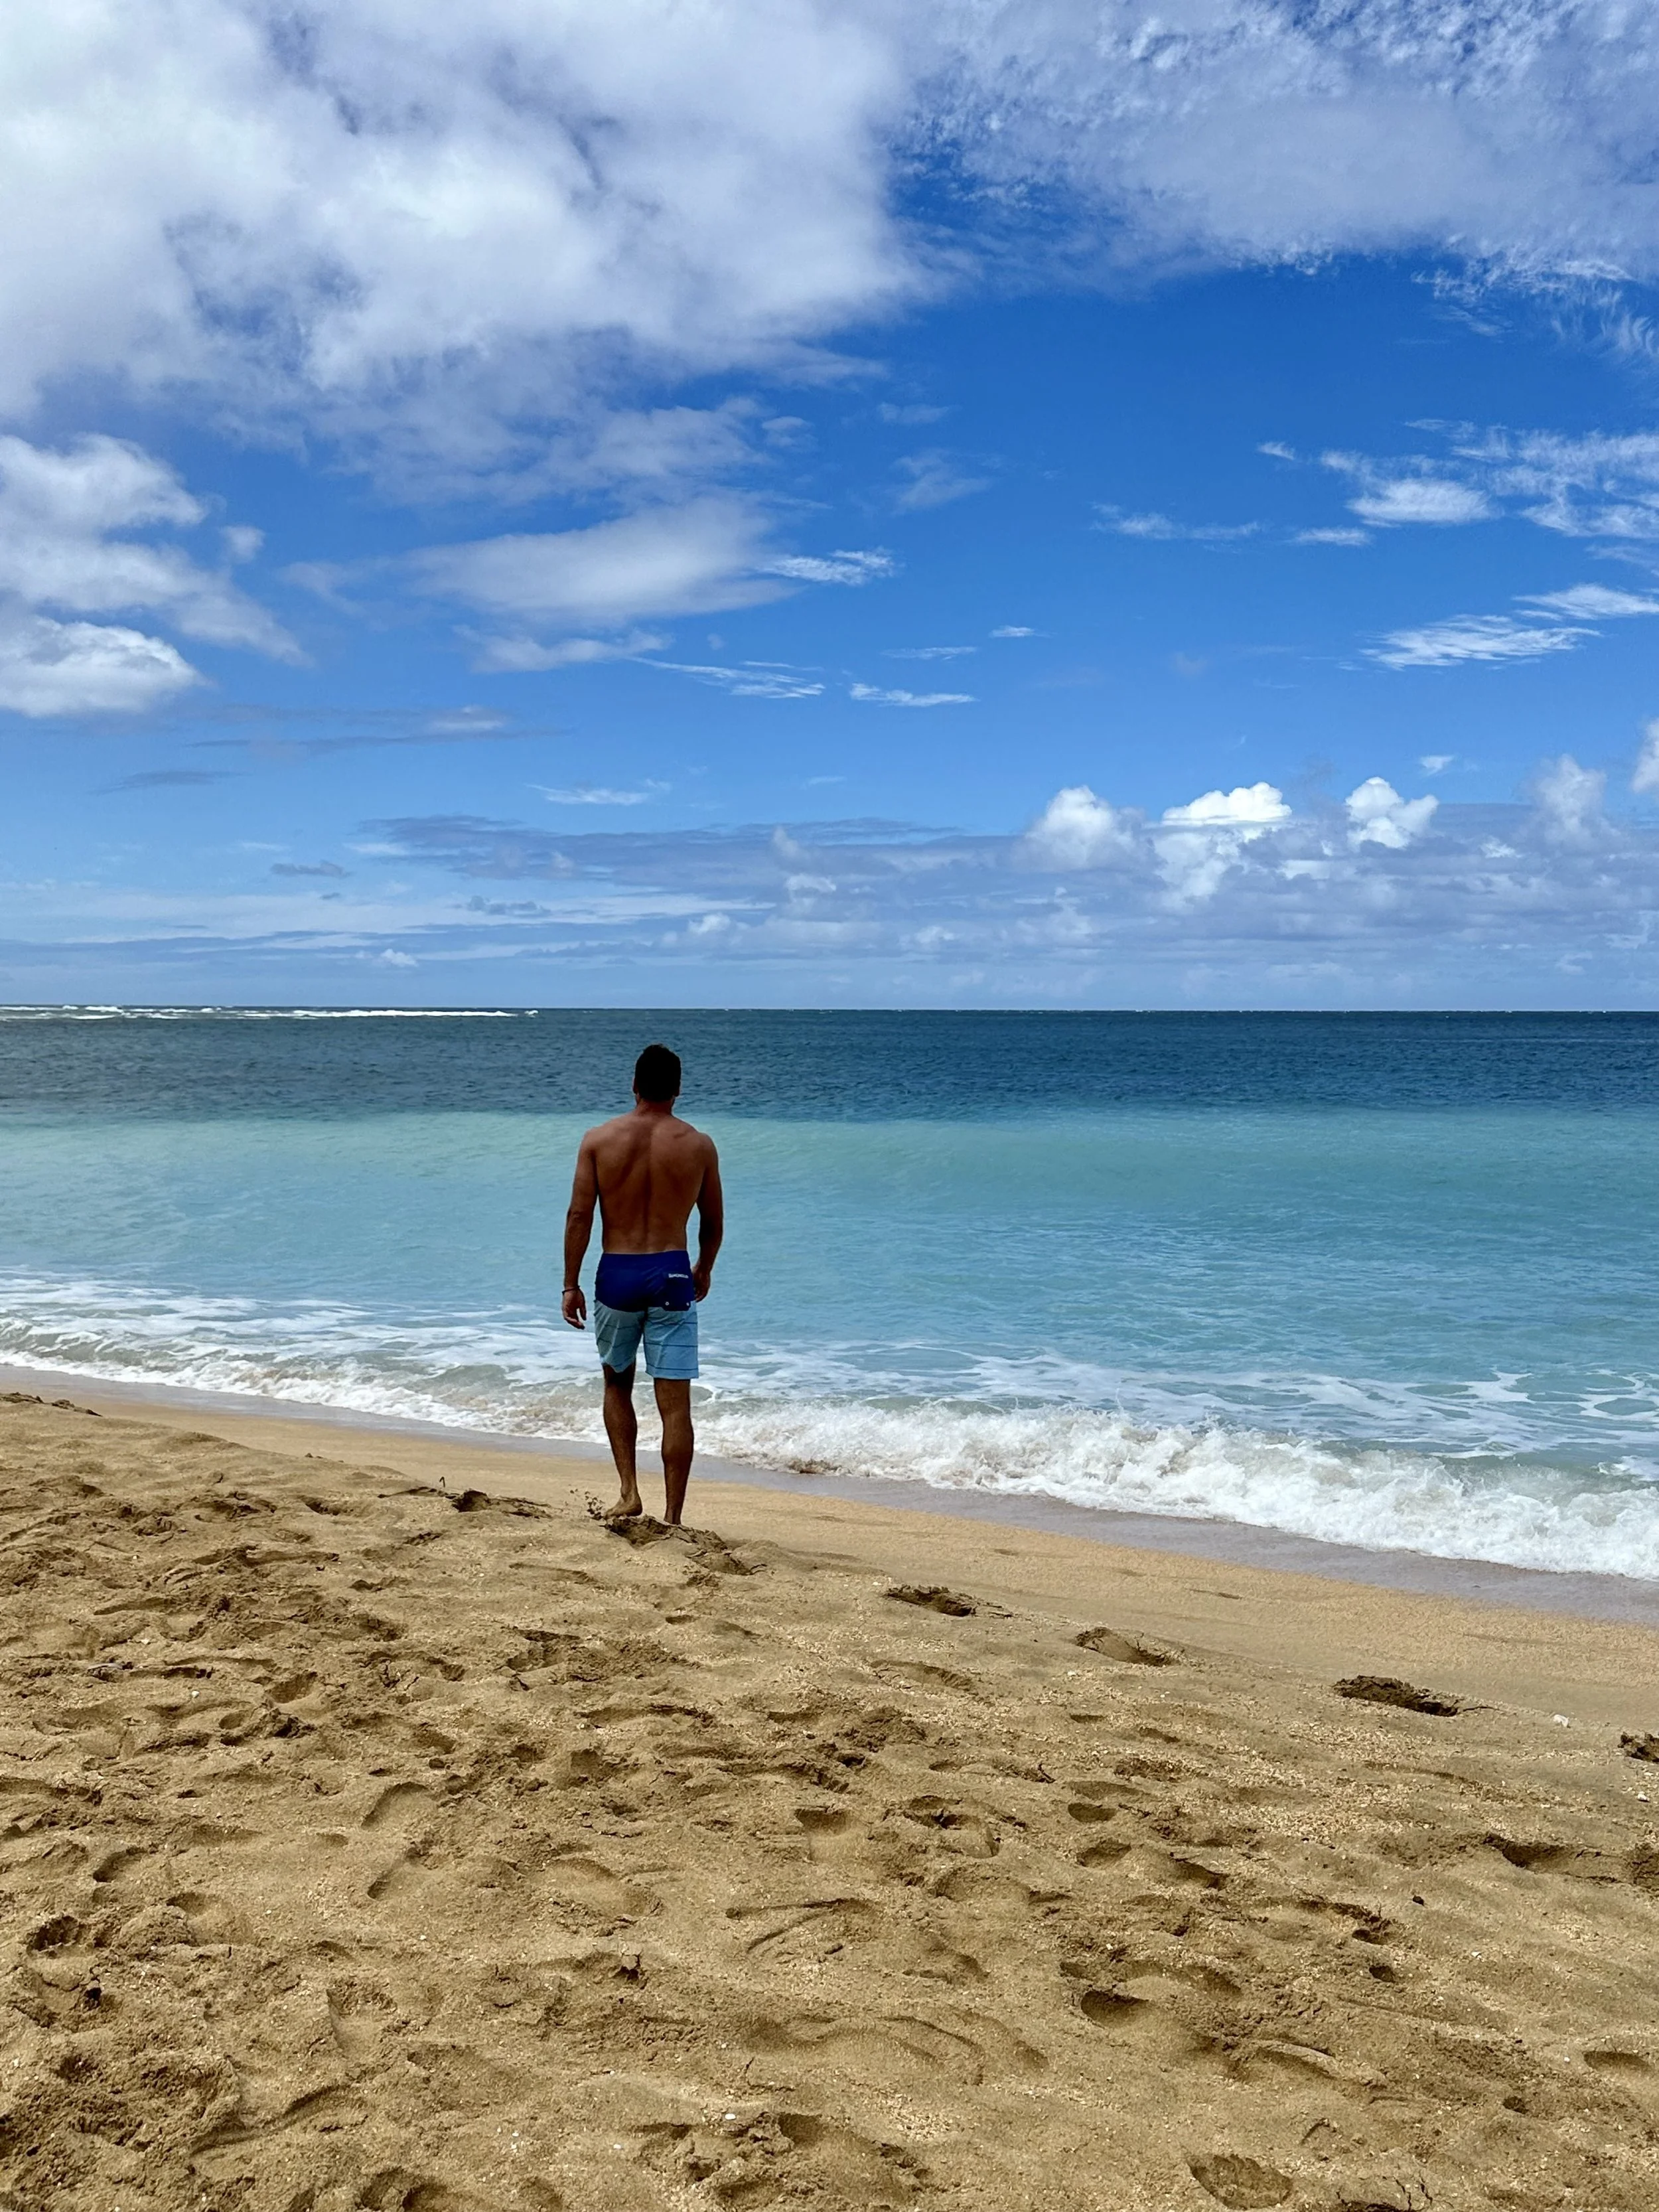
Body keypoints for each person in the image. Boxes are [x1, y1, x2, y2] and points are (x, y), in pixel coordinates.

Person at [561, 1043, 723, 1526]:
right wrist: (705, 1266)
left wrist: (570, 1283)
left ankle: (630, 1492)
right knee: (675, 1403)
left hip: (618, 1272)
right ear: (677, 1089)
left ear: (634, 1085)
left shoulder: (598, 1140)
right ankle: (673, 1516)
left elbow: (579, 1215)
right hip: (672, 1271)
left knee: (617, 1383)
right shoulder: (698, 1145)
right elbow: (712, 1221)